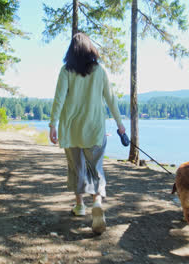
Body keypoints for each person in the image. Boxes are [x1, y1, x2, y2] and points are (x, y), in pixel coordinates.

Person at [49, 32, 125, 234]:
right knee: (95, 168)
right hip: (94, 130)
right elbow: (111, 99)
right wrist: (120, 124)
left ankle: (80, 206)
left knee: (76, 168)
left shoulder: (66, 70)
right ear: (90, 49)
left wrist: (52, 125)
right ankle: (97, 202)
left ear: (71, 51)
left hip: (71, 130)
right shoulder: (99, 71)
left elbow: (59, 99)